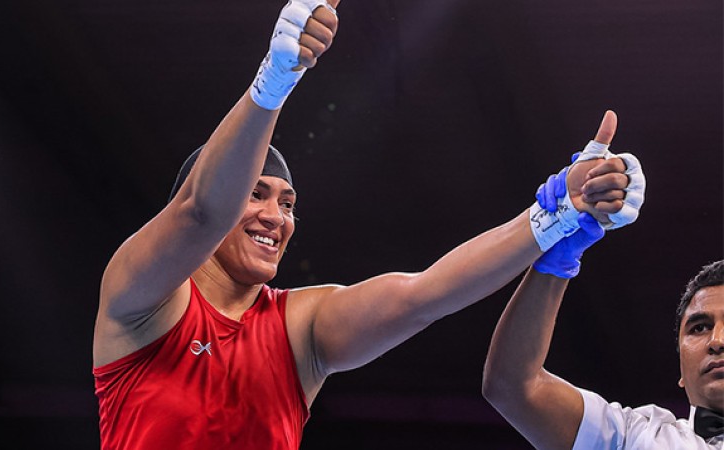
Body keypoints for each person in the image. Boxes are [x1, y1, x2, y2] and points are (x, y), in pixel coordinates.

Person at [91, 1, 646, 449]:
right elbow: (202, 212)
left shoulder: (298, 328)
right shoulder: (140, 300)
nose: (275, 217)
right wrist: (274, 81)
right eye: (256, 195)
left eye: (287, 204)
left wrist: (554, 215)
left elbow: (426, 295)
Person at [482, 192, 723, 447]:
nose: (717, 341)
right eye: (699, 328)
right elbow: (513, 387)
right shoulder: (633, 436)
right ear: (681, 371)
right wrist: (554, 263)